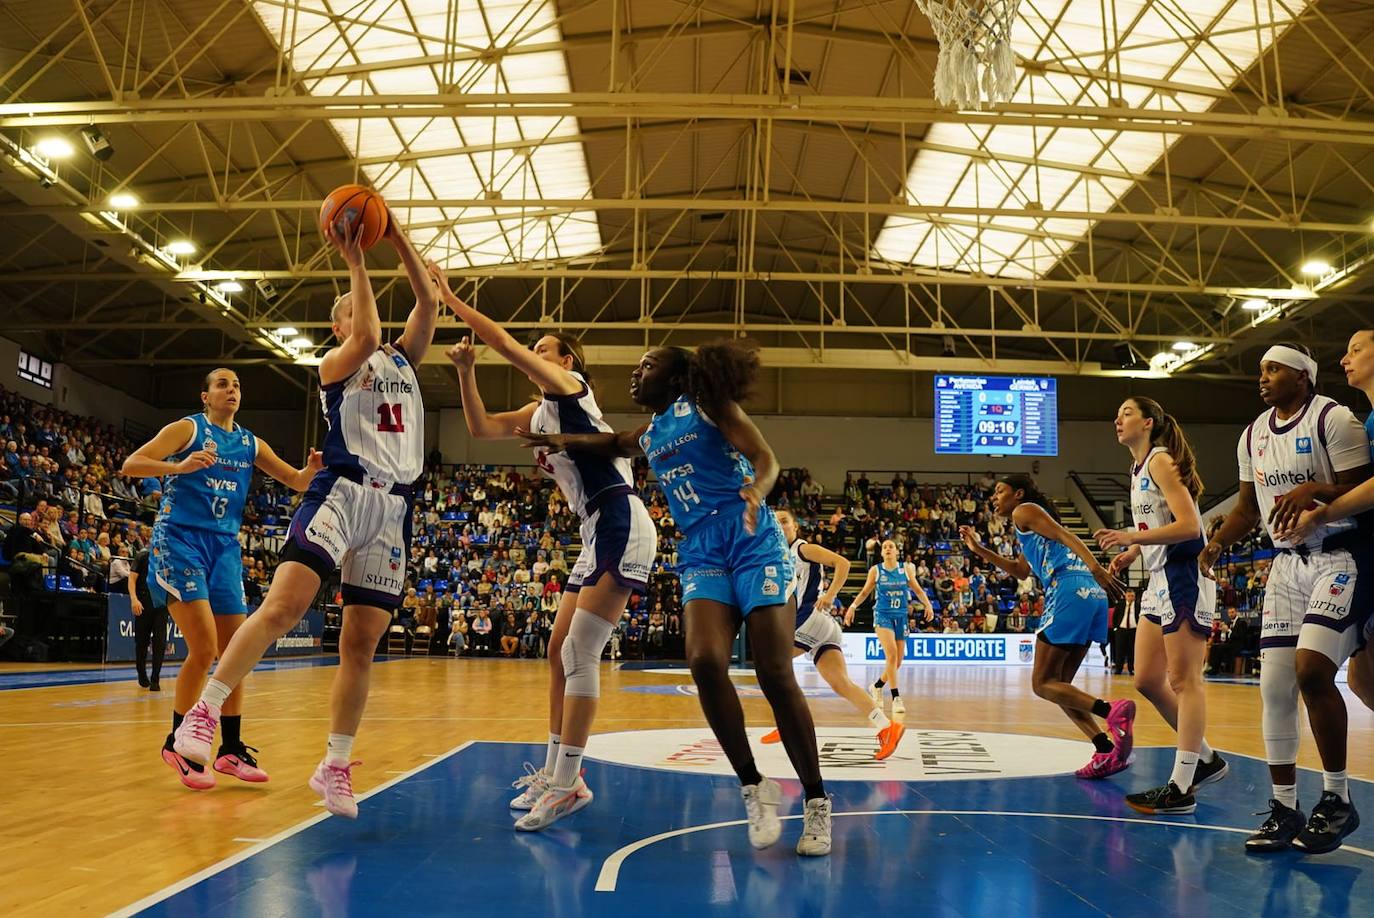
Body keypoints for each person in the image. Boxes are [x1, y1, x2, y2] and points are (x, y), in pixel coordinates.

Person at [172, 207, 438, 819]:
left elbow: (427, 302)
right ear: (337, 324)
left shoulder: (404, 359)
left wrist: (396, 234)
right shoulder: (336, 364)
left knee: (361, 644)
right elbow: (366, 334)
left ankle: (335, 764)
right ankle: (205, 712)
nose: (364, 315)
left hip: (392, 509)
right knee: (284, 606)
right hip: (341, 492)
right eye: (352, 309)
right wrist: (355, 258)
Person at [519, 339, 832, 857]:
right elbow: (613, 442)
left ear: (676, 376)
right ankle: (754, 786)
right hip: (702, 550)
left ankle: (817, 800)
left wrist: (757, 489)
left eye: (647, 365)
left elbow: (765, 457)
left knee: (775, 672)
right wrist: (559, 439)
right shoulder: (653, 431)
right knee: (704, 662)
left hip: (752, 541)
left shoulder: (709, 407)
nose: (635, 372)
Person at [433, 266, 655, 833]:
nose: (535, 354)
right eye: (536, 350)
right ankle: (557, 771)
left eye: (544, 349)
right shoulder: (539, 413)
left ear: (566, 361)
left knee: (579, 653)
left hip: (620, 516)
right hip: (594, 527)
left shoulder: (571, 389)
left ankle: (569, 782)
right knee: (557, 650)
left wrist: (452, 299)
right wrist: (465, 372)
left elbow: (506, 345)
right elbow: (481, 428)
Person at [1201, 343, 1371, 854]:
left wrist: (1314, 489)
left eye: (1273, 369)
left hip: (1340, 555)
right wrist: (1217, 543)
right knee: (1274, 688)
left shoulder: (1334, 419)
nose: (1263, 377)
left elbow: (1364, 489)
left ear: (1302, 376)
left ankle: (1337, 798)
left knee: (1313, 671)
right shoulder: (1252, 434)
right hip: (1286, 565)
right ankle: (1284, 807)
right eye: (1261, 370)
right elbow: (1247, 509)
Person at [122, 368, 322, 790]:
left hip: (225, 548)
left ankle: (230, 749)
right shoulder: (188, 429)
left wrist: (311, 470)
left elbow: (294, 481)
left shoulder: (250, 442)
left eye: (237, 385)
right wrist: (178, 466)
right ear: (205, 395)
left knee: (235, 652)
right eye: (223, 384)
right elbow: (131, 464)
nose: (232, 389)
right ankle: (177, 745)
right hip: (180, 541)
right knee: (205, 648)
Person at [1094, 397, 1228, 815]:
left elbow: (1189, 526)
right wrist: (1134, 551)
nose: (1117, 419)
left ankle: (1181, 785)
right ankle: (1206, 758)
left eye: (1126, 413)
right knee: (1147, 679)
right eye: (1117, 413)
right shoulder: (1137, 469)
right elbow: (1158, 522)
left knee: (1185, 680)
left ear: (1149, 422)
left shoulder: (1161, 461)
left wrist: (1132, 538)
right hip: (1158, 579)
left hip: (1183, 574)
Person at [960, 474, 1133, 779]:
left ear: (1019, 493)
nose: (994, 497)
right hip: (1090, 594)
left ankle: (1111, 711)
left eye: (1000, 491)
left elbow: (1066, 535)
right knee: (1059, 686)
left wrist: (1096, 566)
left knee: (1042, 684)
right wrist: (979, 550)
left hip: (1069, 588)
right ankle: (1104, 747)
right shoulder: (1030, 525)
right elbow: (1020, 571)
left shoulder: (1023, 510)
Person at [761, 509, 906, 760]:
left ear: (795, 527)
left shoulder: (802, 549)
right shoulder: (777, 556)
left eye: (785, 521)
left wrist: (830, 595)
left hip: (810, 619)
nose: (780, 525)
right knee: (841, 684)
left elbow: (843, 563)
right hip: (824, 628)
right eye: (775, 521)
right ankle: (887, 727)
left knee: (771, 665)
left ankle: (788, 723)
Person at [845, 541, 934, 716]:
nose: (887, 549)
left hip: (901, 616)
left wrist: (928, 605)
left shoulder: (905, 569)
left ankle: (877, 686)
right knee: (891, 654)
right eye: (884, 547)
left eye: (891, 547)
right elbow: (864, 592)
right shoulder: (876, 570)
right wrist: (852, 607)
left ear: (896, 551)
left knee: (897, 662)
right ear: (881, 553)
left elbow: (918, 590)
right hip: (882, 615)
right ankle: (896, 698)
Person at [126, 544, 168, 691]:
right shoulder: (143, 556)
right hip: (143, 602)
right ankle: (141, 672)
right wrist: (134, 599)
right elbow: (132, 579)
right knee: (141, 641)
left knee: (160, 642)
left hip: (161, 605)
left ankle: (155, 678)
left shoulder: (168, 558)